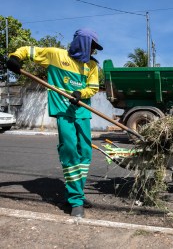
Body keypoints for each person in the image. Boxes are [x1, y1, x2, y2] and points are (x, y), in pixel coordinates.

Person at [6, 28, 103, 218]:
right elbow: (28, 51)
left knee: (85, 152)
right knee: (69, 151)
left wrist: (80, 94)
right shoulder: (55, 55)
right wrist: (15, 58)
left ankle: (77, 194)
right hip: (63, 112)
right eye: (92, 46)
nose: (93, 51)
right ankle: (76, 200)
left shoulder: (91, 66)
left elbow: (93, 87)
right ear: (82, 43)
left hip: (83, 111)